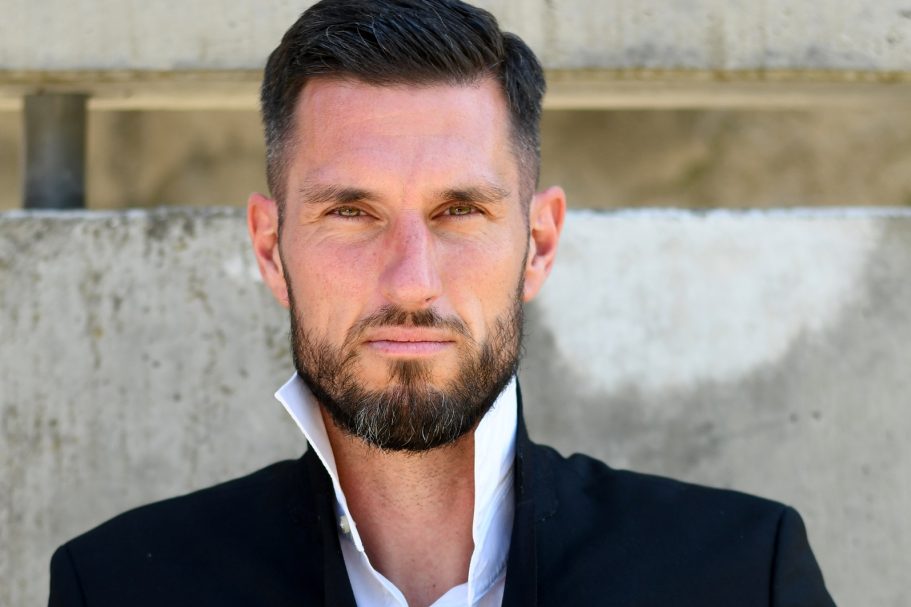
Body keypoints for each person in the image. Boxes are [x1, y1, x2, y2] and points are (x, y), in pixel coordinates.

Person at [48, 1, 835, 605]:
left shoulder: (740, 574)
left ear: (538, 243)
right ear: (270, 247)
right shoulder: (119, 586)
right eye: (350, 212)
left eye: (458, 211)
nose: (410, 281)